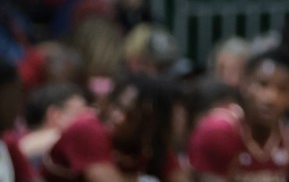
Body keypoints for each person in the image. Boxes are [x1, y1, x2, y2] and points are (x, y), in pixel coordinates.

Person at [187, 47, 289, 182]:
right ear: (244, 84)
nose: (271, 98)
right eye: (263, 84)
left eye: (283, 89)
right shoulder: (217, 130)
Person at [42, 73, 186, 182]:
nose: (118, 118)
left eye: (132, 116)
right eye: (118, 107)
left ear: (152, 124)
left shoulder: (150, 144)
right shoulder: (88, 129)